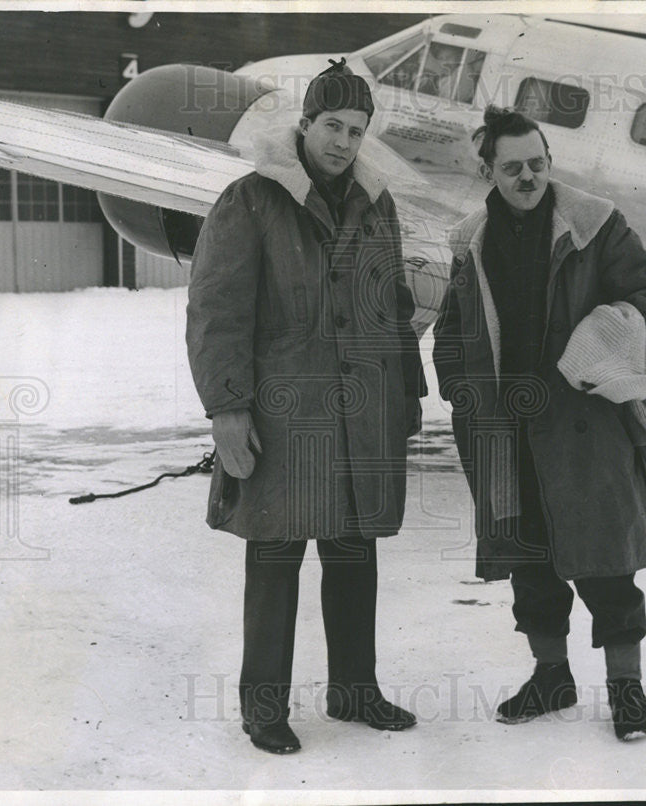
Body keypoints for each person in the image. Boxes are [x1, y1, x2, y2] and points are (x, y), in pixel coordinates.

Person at [186, 59, 426, 755]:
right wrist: (227, 410)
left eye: (356, 130)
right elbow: (216, 313)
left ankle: (355, 690)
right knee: (276, 557)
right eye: (332, 126)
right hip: (284, 416)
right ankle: (264, 708)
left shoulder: (376, 203)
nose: (344, 142)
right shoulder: (251, 200)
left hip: (362, 412)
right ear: (305, 124)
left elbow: (395, 306)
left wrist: (405, 395)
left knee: (354, 552)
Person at [432, 106, 646, 741]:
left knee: (606, 565)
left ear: (550, 162)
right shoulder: (471, 240)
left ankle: (626, 687)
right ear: (488, 170)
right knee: (529, 564)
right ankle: (551, 676)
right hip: (506, 433)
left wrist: (598, 348)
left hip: (583, 425)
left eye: (537, 164)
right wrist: (463, 392)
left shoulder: (596, 224)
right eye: (512, 168)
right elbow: (453, 332)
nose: (527, 177)